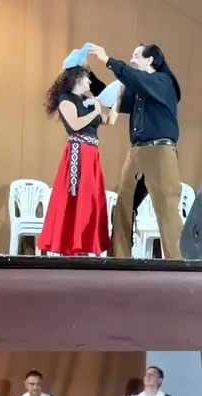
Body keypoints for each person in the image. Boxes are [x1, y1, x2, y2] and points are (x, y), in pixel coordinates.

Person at [88, 43, 183, 259]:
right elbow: (108, 96)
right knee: (123, 205)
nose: (132, 60)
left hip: (160, 151)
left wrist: (108, 60)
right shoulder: (139, 89)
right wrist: (88, 74)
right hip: (137, 152)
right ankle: (119, 258)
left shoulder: (162, 82)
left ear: (150, 60)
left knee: (167, 208)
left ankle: (178, 261)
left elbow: (136, 78)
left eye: (136, 56)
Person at [38, 65, 112, 256]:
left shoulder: (87, 101)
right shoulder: (66, 100)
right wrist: (95, 111)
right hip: (78, 153)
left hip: (92, 154)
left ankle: (85, 244)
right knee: (77, 195)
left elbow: (109, 120)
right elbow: (75, 124)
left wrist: (117, 101)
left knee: (91, 198)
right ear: (77, 79)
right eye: (87, 78)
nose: (89, 81)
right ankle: (72, 245)